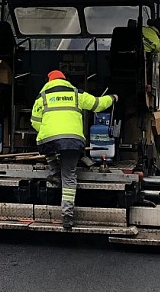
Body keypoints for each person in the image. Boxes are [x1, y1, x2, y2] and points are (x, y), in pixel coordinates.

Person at [30, 70, 117, 230]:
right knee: (69, 176)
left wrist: (49, 131)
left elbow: (35, 122)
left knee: (46, 144)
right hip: (73, 141)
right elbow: (97, 105)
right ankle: (67, 217)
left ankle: (55, 171)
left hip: (49, 139)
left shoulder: (41, 97)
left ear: (49, 81)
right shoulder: (76, 94)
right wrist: (112, 98)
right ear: (64, 80)